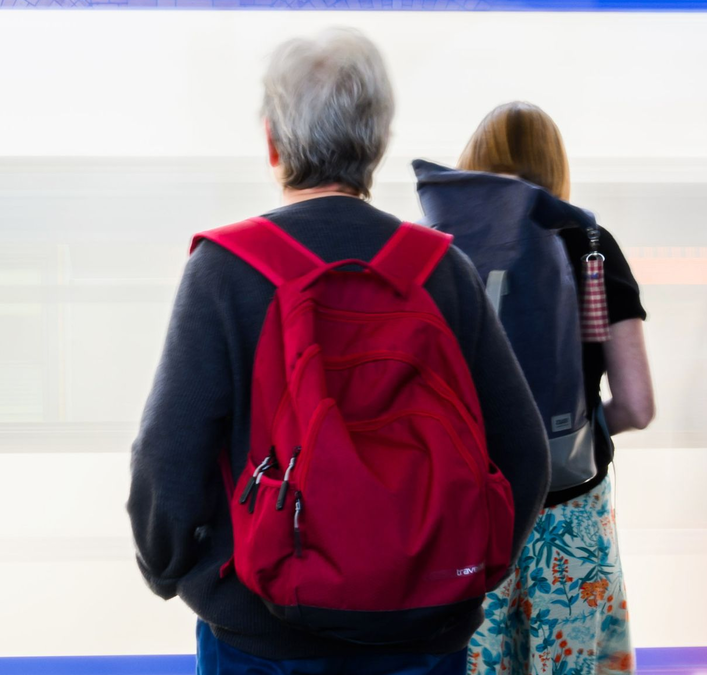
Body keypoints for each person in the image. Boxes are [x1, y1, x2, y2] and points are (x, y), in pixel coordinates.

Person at [128, 30, 551, 675]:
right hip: (423, 636)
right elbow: (524, 453)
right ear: (377, 144)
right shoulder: (442, 271)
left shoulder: (225, 270)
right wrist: (456, 569)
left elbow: (167, 455)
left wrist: (180, 574)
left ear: (272, 141)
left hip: (262, 634)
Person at [453, 102, 655, 675]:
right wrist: (571, 433)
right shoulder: (591, 250)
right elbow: (637, 406)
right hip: (572, 521)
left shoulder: (447, 253)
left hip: (475, 518)